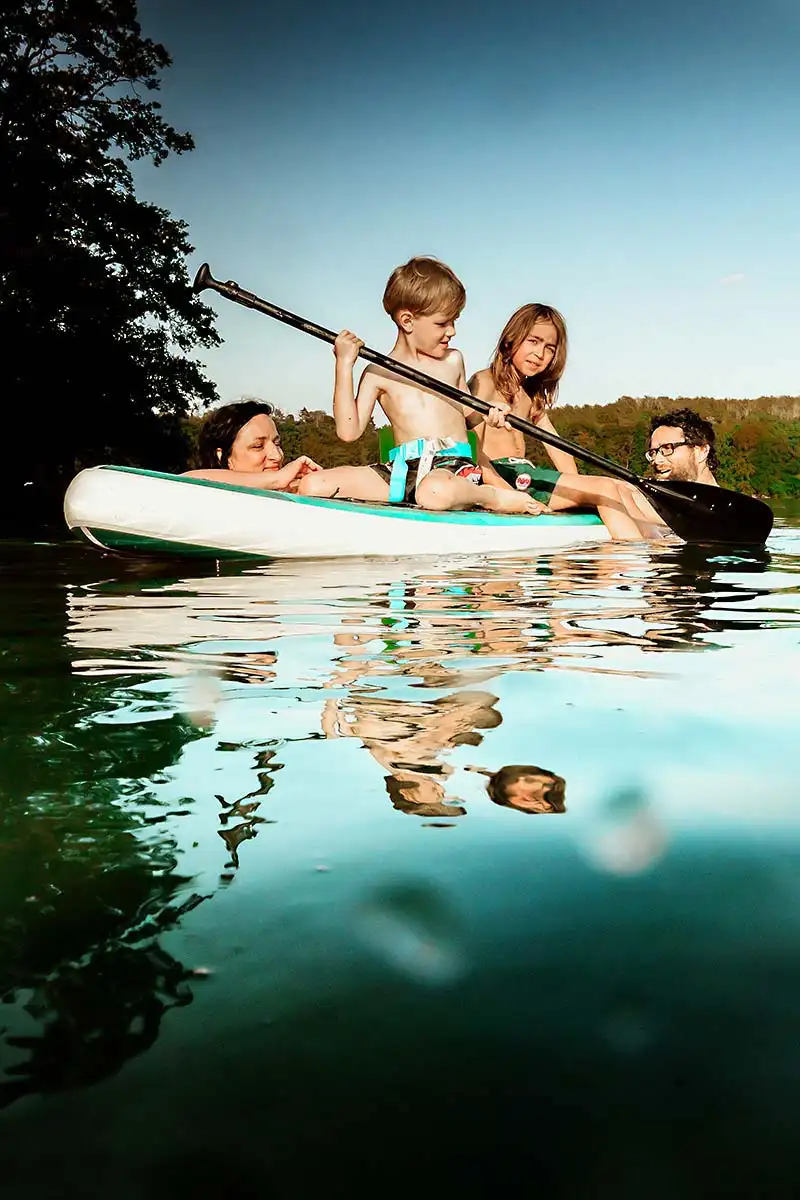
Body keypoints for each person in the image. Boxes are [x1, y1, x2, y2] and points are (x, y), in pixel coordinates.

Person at [297, 257, 542, 516]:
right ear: (407, 321)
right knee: (313, 485)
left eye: (454, 321)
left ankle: (493, 496)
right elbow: (349, 431)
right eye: (443, 323)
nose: (452, 331)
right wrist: (344, 364)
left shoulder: (452, 361)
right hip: (401, 472)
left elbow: (468, 414)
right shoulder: (377, 373)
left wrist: (491, 412)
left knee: (434, 491)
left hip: (452, 470)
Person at [468, 304, 651, 539]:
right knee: (606, 490)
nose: (540, 353)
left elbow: (556, 445)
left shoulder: (530, 396)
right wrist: (505, 494)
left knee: (621, 487)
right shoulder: (485, 381)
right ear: (509, 341)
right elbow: (474, 448)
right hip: (505, 476)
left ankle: (655, 549)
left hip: (526, 473)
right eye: (533, 341)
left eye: (549, 348)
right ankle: (635, 558)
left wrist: (577, 484)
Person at [184, 400, 321, 491]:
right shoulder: (203, 499)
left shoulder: (294, 494)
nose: (277, 456)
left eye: (277, 443)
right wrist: (277, 479)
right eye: (258, 446)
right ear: (221, 455)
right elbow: (186, 482)